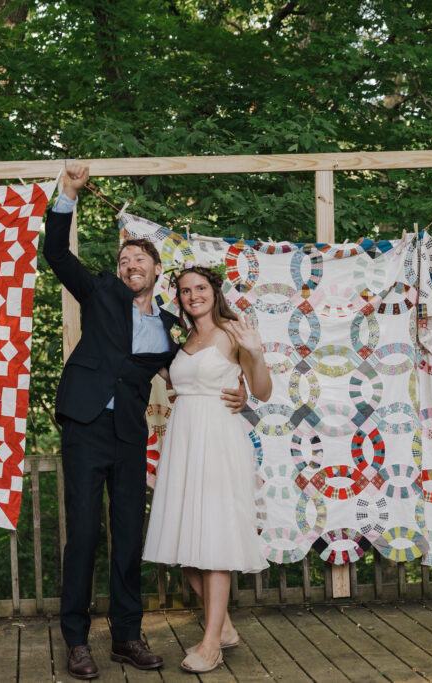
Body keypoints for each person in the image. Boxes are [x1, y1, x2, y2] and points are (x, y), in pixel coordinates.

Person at [44, 163, 247, 679]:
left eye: (141, 258)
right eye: (124, 257)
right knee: (86, 533)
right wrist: (67, 193)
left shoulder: (170, 324)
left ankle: (127, 637)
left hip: (130, 436)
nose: (131, 262)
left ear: (158, 273)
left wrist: (241, 388)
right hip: (86, 425)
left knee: (129, 537)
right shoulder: (99, 293)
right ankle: (76, 640)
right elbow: (57, 253)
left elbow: (202, 362)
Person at [142, 265, 273, 674]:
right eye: (184, 290)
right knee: (188, 548)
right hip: (183, 444)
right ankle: (227, 627)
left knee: (214, 543)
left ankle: (211, 643)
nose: (192, 295)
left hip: (218, 443)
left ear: (214, 292)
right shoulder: (181, 342)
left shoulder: (234, 332)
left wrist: (254, 352)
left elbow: (263, 391)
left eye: (200, 288)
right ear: (178, 298)